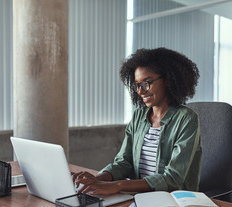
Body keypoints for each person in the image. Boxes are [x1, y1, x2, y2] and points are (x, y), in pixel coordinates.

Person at [72, 47, 202, 195]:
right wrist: (98, 179)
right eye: (137, 85)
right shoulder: (139, 116)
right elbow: (124, 162)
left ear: (167, 80)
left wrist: (118, 185)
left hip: (173, 202)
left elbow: (173, 178)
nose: (140, 91)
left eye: (147, 82)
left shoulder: (187, 119)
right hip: (138, 198)